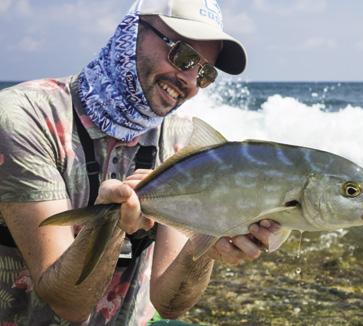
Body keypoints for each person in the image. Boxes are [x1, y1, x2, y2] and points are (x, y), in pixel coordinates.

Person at [0, 0, 281, 324]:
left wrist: (205, 243)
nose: (189, 81)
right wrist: (113, 221)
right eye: (184, 55)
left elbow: (170, 302)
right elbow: (68, 305)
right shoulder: (25, 119)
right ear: (131, 32)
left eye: (204, 72)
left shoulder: (179, 140)